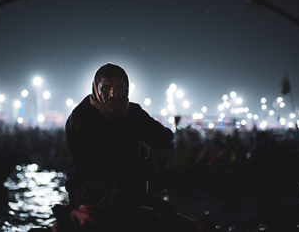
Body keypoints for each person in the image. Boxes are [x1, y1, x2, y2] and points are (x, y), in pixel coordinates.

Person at [47, 63, 191, 232]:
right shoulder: (81, 117)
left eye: (118, 88)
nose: (113, 94)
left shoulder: (133, 112)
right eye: (106, 88)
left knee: (166, 212)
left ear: (126, 89)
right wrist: (139, 163)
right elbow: (91, 167)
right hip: (90, 190)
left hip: (130, 188)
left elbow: (165, 139)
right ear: (95, 88)